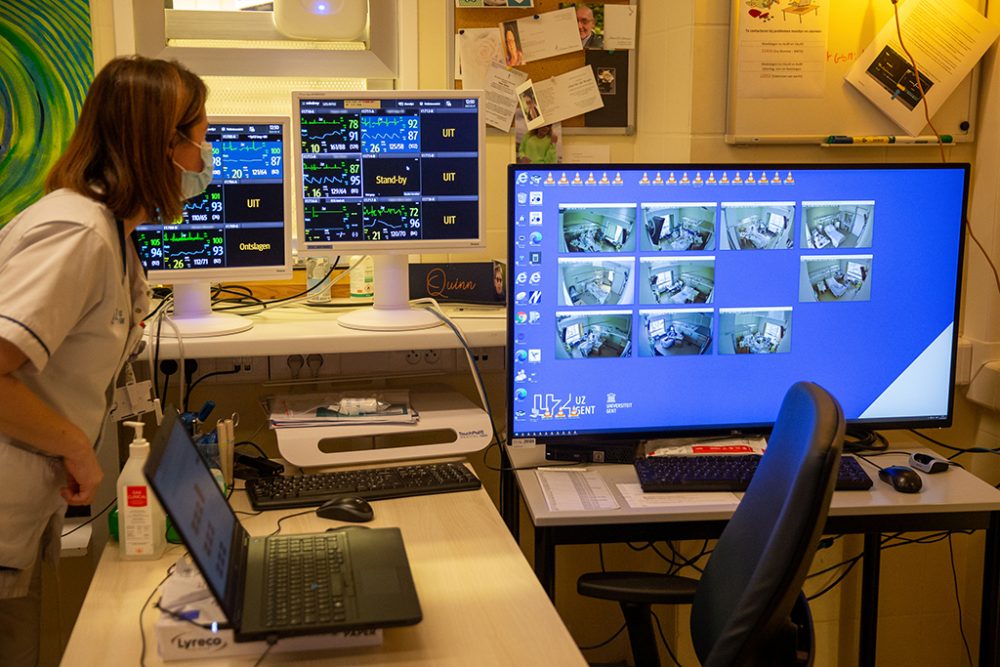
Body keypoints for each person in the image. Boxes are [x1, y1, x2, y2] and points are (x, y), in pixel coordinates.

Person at [0, 55, 209, 666]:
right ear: (161, 145)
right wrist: (74, 444)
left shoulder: (110, 233)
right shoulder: (78, 233)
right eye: (200, 138)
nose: (205, 159)